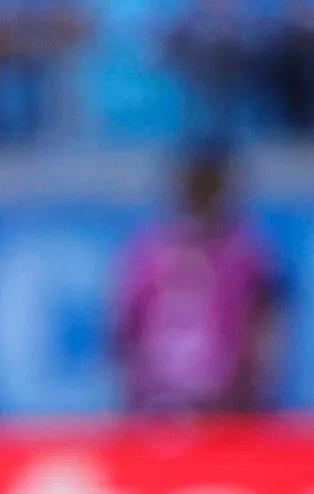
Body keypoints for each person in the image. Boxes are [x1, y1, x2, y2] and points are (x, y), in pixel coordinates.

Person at [112, 143, 282, 415]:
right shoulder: (147, 254)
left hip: (227, 410)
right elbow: (123, 330)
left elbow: (263, 329)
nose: (201, 197)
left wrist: (254, 393)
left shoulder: (245, 254)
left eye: (208, 187)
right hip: (157, 409)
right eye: (195, 186)